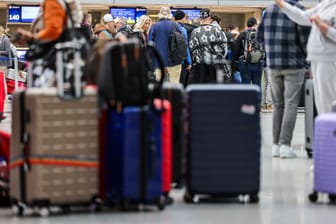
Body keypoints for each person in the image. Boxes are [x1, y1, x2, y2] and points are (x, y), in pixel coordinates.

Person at [257, 0, 311, 158]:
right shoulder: (298, 9)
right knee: (291, 104)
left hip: (273, 65)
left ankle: (275, 145)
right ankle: (285, 145)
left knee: (278, 105)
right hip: (293, 64)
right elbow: (305, 40)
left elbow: (259, 38)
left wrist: (273, 48)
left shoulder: (268, 11)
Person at [274, 0, 336, 114]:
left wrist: (322, 26)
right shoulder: (325, 4)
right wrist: (281, 4)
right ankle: (326, 128)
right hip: (317, 57)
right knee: (321, 103)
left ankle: (330, 128)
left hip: (329, 58)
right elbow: (302, 16)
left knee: (329, 102)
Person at [188, 8, 227, 83]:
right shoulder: (218, 30)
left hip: (200, 65)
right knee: (214, 88)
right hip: (215, 65)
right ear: (210, 18)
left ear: (200, 18)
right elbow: (224, 48)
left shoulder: (195, 31)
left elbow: (191, 47)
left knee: (201, 88)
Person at [148, 7, 185, 83]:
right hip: (174, 60)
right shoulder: (176, 26)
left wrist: (150, 60)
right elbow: (183, 42)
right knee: (174, 84)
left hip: (158, 62)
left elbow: (150, 44)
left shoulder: (154, 27)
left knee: (158, 84)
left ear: (160, 14)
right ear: (170, 15)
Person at [233, 17, 265, 87]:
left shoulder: (242, 34)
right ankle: (257, 98)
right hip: (259, 63)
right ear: (255, 24)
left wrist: (236, 61)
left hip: (244, 62)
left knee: (245, 85)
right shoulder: (260, 34)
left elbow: (236, 50)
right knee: (257, 85)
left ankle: (246, 98)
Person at [173, 10, 192, 86]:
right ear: (182, 18)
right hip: (181, 60)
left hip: (171, 59)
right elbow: (185, 47)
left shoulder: (170, 27)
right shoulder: (182, 30)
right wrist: (190, 62)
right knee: (181, 82)